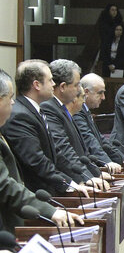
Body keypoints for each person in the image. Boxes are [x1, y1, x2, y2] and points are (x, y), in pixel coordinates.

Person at [0, 69, 83, 233]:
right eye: (10, 98)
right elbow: (5, 185)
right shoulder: (21, 116)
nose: (12, 103)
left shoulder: (38, 111)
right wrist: (50, 211)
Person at [1, 61, 92, 197]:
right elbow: (36, 160)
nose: (53, 84)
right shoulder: (20, 115)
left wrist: (75, 181)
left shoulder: (35, 110)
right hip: (34, 196)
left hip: (47, 191)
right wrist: (68, 184)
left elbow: (56, 152)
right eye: (50, 80)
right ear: (37, 85)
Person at [41, 60, 109, 188]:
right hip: (61, 183)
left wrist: (95, 173)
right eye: (77, 85)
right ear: (62, 87)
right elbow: (63, 149)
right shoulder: (49, 108)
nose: (80, 89)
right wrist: (85, 177)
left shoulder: (61, 108)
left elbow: (81, 151)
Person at [76, 73, 124, 170]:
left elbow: (100, 139)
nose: (103, 97)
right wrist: (107, 162)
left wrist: (121, 158)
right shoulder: (77, 112)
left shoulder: (86, 111)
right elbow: (89, 139)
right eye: (100, 93)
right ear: (86, 92)